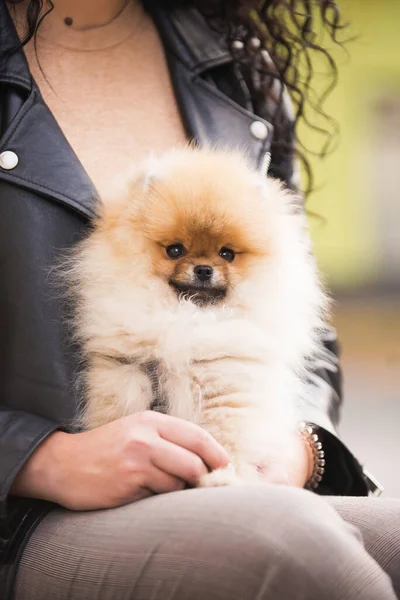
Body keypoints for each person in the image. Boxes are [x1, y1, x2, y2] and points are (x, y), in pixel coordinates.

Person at [0, 0, 399, 598]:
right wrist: (40, 459)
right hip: (28, 515)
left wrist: (298, 447)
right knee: (295, 546)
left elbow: (308, 337)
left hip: (242, 475)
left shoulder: (233, 60)